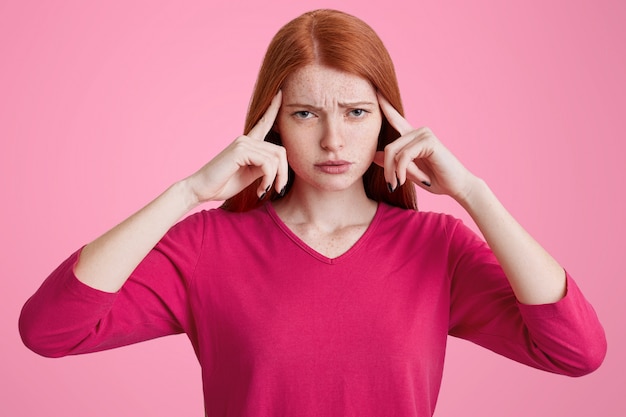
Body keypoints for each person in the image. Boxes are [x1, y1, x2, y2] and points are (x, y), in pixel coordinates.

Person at [19, 9, 606, 417]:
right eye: (305, 114)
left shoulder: (436, 247)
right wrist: (190, 192)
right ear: (271, 122)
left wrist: (474, 192)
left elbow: (577, 351)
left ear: (388, 120)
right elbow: (49, 331)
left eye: (355, 112)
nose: (333, 141)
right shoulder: (208, 246)